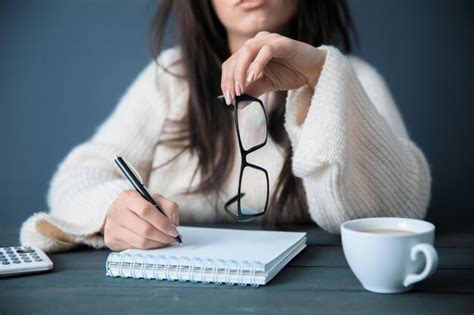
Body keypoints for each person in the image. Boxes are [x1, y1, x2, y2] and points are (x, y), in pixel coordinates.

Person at [20, 0, 431, 253]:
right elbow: (79, 177)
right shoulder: (171, 78)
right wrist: (112, 209)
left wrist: (321, 78)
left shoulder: (350, 79)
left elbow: (395, 213)